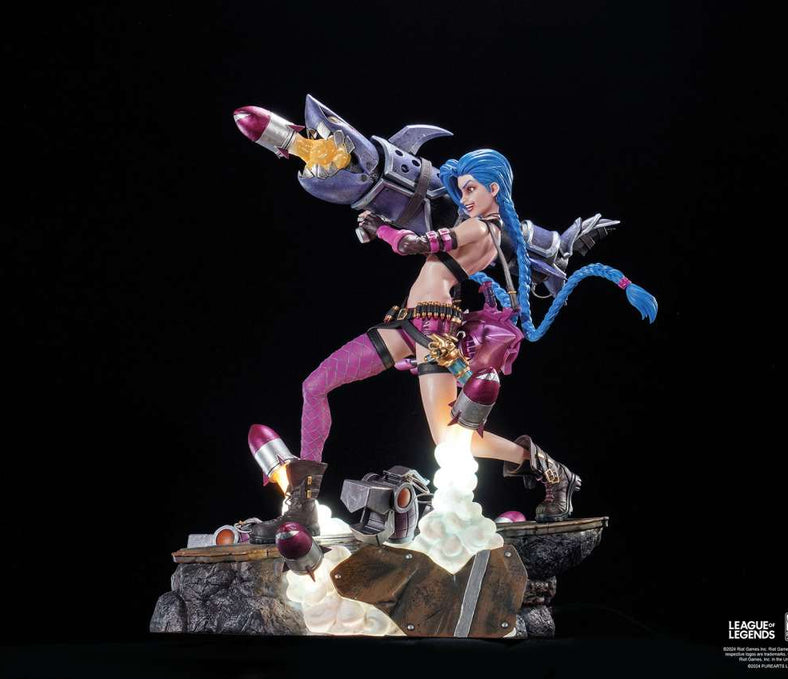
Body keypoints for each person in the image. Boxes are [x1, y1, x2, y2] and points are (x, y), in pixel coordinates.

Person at [247, 149, 656, 542]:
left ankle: (548, 469)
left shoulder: (480, 229)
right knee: (315, 385)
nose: (466, 198)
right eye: (462, 190)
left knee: (453, 442)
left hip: (436, 333)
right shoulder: (478, 225)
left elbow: (412, 245)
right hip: (408, 322)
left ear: (494, 189)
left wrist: (379, 228)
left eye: (472, 188)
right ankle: (302, 504)